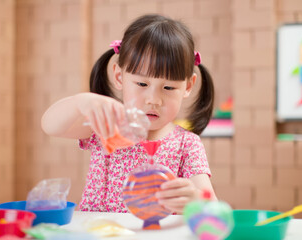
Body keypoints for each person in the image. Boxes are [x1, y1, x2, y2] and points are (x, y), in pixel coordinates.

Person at [41, 14, 217, 214]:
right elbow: (50, 125)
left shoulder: (187, 145)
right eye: (142, 84)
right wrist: (80, 103)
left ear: (188, 86)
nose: (154, 99)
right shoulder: (107, 124)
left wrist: (195, 200)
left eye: (168, 88)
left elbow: (212, 208)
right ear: (119, 77)